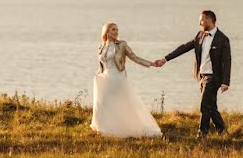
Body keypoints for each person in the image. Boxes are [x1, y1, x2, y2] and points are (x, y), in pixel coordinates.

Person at [153, 10, 231, 138]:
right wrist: (165, 59)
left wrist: (225, 82)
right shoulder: (200, 36)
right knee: (211, 106)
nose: (199, 22)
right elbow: (183, 48)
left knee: (204, 105)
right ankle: (222, 130)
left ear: (209, 20)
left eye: (201, 20)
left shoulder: (222, 39)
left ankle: (202, 133)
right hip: (202, 76)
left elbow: (227, 61)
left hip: (213, 77)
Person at [91, 22, 162, 138]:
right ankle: (105, 128)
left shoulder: (122, 45)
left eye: (117, 30)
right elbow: (102, 64)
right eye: (113, 29)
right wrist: (98, 74)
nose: (116, 32)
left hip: (117, 78)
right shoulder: (101, 46)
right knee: (103, 102)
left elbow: (134, 57)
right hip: (104, 78)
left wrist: (151, 64)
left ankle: (128, 128)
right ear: (106, 32)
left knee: (121, 103)